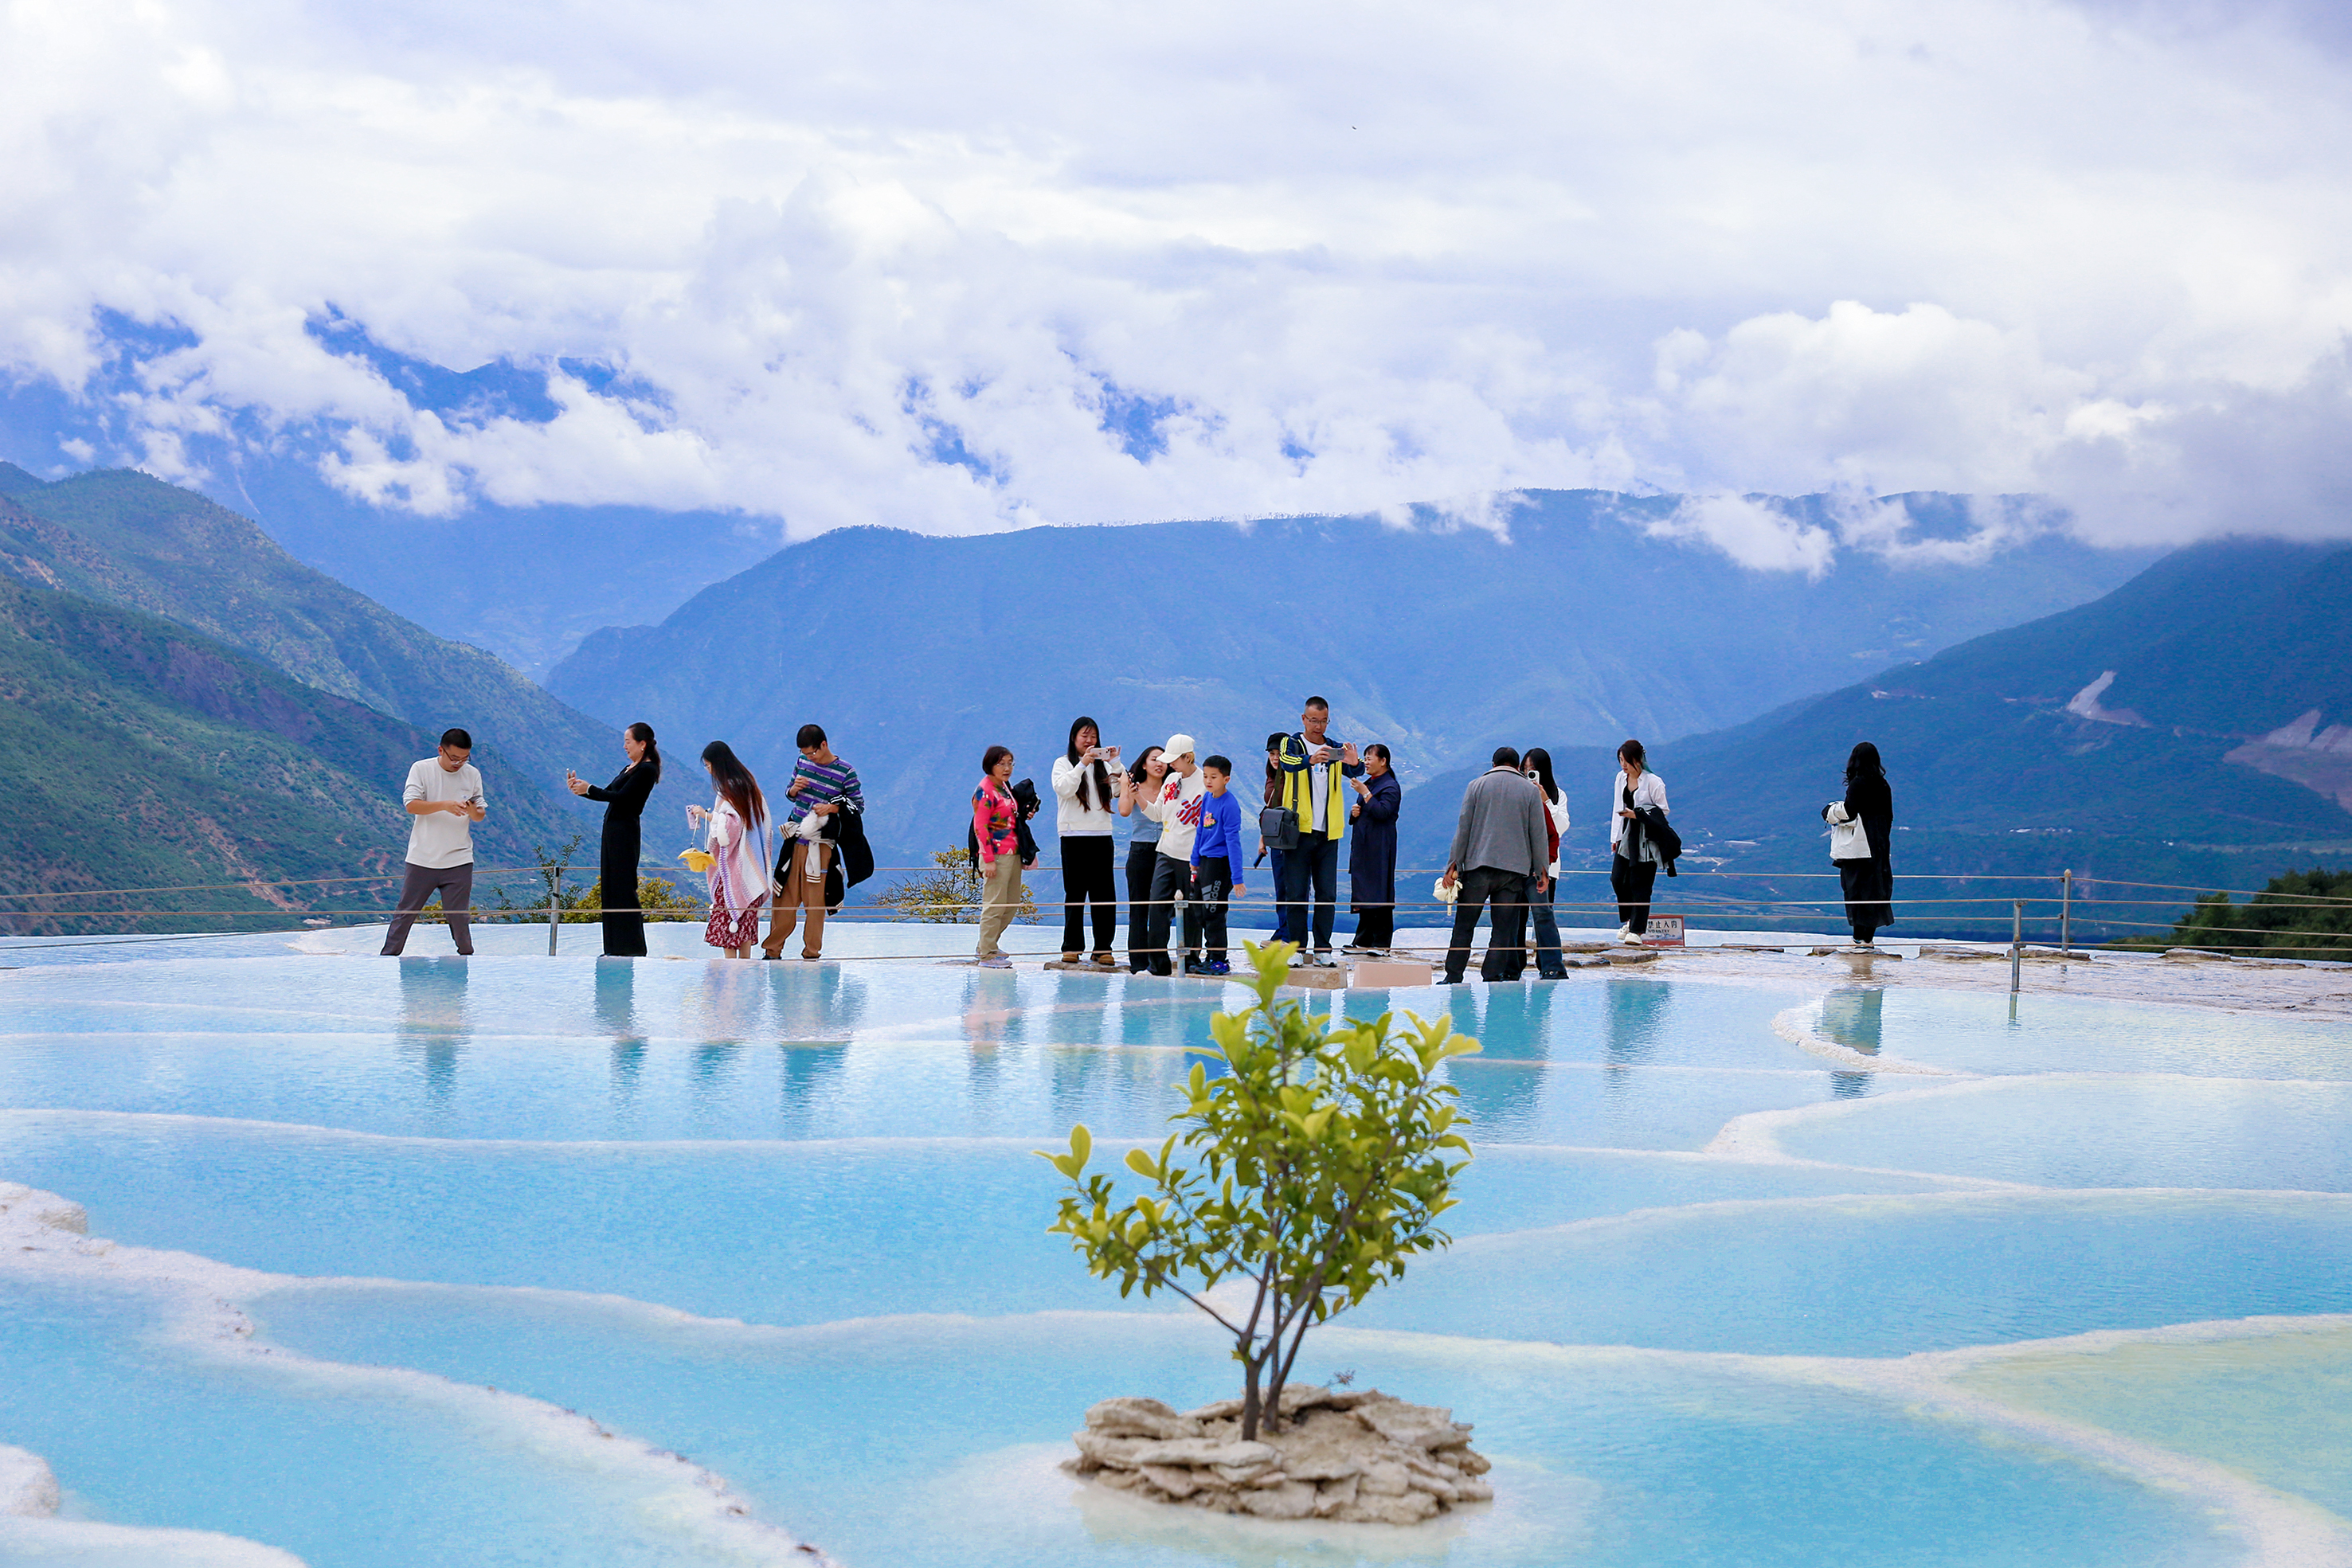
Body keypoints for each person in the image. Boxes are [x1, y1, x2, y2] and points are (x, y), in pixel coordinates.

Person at [1439, 746, 1552, 983]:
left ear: (1494, 764)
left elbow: (1464, 829)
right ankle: (1492, 975)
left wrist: (1453, 864)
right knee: (1502, 929)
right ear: (1518, 766)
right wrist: (1542, 870)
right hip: (1513, 871)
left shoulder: (1476, 786)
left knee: (1465, 925)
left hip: (1477, 867)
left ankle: (1453, 975)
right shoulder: (1530, 791)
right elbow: (1538, 834)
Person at [1272, 697, 1364, 967]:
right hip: (1298, 830)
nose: (1318, 726)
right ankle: (1296, 950)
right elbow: (1288, 762)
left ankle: (1323, 948)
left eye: (1323, 721)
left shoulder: (1334, 747)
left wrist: (1355, 762)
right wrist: (1310, 759)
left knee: (1327, 893)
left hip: (1328, 831)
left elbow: (1354, 771)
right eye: (1313, 720)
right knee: (1297, 891)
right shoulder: (1292, 744)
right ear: (1304, 719)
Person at [382, 728, 487, 956]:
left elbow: (480, 815)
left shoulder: (472, 774)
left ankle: (467, 963)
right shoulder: (421, 769)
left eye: (465, 758)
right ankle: (387, 960)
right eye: (454, 758)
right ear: (441, 750)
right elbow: (411, 805)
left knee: (459, 918)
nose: (459, 763)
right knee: (405, 914)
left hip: (459, 859)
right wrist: (445, 805)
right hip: (423, 858)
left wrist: (471, 810)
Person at [762, 725, 863, 961]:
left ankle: (811, 953)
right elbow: (789, 792)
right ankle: (772, 951)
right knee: (784, 897)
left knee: (815, 902)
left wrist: (832, 807)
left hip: (821, 844)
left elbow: (858, 806)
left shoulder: (845, 772)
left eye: (813, 753)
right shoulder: (802, 762)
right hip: (796, 838)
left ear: (824, 745)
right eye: (806, 754)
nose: (810, 758)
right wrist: (793, 790)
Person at [566, 722, 659, 957]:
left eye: (628, 741)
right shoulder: (629, 768)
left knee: (624, 888)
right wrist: (582, 789)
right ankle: (614, 948)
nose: (624, 746)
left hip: (626, 833)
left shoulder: (647, 770)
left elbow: (623, 799)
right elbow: (608, 793)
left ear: (642, 744)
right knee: (609, 887)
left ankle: (633, 947)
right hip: (612, 832)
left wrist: (590, 789)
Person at [1052, 717, 1125, 966]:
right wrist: (1082, 764)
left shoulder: (1104, 767)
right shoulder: (1063, 764)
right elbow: (1064, 789)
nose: (1089, 741)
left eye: (1093, 737)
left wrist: (1114, 761)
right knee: (1074, 892)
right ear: (1074, 738)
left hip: (1102, 836)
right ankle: (1071, 947)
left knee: (1104, 893)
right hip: (1073, 836)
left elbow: (1121, 789)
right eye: (1084, 736)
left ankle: (1103, 947)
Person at [687, 741, 770, 960]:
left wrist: (705, 815)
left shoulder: (729, 789)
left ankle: (730, 971)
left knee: (729, 921)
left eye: (707, 765)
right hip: (751, 866)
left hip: (733, 866)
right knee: (745, 923)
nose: (707, 770)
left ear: (717, 764)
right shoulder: (749, 785)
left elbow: (731, 827)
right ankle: (745, 969)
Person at [1141, 734, 1207, 977]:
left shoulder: (1205, 781)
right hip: (1166, 852)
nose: (1170, 765)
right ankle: (1157, 964)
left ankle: (1191, 960)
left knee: (1191, 911)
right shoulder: (1171, 780)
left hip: (1191, 855)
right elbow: (1157, 814)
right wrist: (1138, 796)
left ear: (1188, 757)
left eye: (1175, 760)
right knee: (1157, 907)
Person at [1825, 741, 1895, 948]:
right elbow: (1889, 816)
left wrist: (1829, 811)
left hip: (1859, 848)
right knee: (1876, 890)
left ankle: (1857, 939)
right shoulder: (1883, 785)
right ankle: (1868, 939)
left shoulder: (1858, 783)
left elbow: (1849, 812)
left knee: (1855, 890)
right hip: (1879, 845)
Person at [1188, 755, 1248, 976]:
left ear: (1226, 779)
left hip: (1220, 864)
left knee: (1214, 911)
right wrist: (1195, 861)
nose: (1208, 781)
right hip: (1205, 862)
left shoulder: (1230, 804)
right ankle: (1210, 955)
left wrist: (1237, 878)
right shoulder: (1207, 798)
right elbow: (1201, 831)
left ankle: (1219, 960)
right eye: (1205, 776)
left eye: (1214, 777)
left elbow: (1233, 841)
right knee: (1200, 910)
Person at [1342, 743, 1401, 955]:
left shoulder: (1390, 786)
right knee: (1364, 892)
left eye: (1369, 758)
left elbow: (1384, 813)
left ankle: (1382, 943)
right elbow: (1366, 811)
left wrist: (1365, 793)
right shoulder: (1370, 783)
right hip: (1363, 846)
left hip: (1380, 847)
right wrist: (1354, 813)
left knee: (1380, 892)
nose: (1366, 762)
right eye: (1365, 758)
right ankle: (1363, 940)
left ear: (1383, 761)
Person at [1609, 739, 1670, 944]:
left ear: (1638, 759)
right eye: (1620, 760)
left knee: (1641, 883)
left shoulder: (1653, 781)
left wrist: (1638, 815)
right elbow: (1617, 806)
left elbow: (1663, 811)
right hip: (1626, 834)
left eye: (1627, 760)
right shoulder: (1620, 778)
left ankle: (1637, 930)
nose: (1623, 765)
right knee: (1617, 878)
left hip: (1647, 837)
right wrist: (1615, 837)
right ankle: (1629, 919)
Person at [972, 745, 1024, 968]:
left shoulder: (1004, 787)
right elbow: (980, 827)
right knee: (994, 905)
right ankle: (986, 954)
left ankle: (988, 945)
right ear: (990, 765)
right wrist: (988, 860)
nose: (1007, 768)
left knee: (1010, 904)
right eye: (1001, 763)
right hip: (995, 854)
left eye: (1010, 763)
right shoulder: (985, 790)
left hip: (1013, 852)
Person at [1523, 747, 1571, 980]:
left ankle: (1548, 964)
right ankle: (1515, 960)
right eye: (1525, 770)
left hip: (1549, 866)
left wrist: (1546, 801)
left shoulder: (1558, 795)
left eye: (1532, 770)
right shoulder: (1518, 794)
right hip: (1520, 865)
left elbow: (1560, 827)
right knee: (1517, 916)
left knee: (1544, 915)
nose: (1528, 774)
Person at [1119, 745, 1167, 972]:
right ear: (1144, 764)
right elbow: (1124, 811)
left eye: (1163, 760)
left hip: (1167, 852)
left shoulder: (1173, 788)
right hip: (1140, 851)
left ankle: (1158, 961)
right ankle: (1138, 963)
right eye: (1154, 759)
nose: (1159, 764)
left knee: (1161, 910)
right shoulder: (1133, 786)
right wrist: (1125, 788)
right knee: (1139, 909)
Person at [1257, 733, 1292, 940]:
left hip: (1291, 838)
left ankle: (1289, 933)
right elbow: (1270, 807)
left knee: (1291, 887)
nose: (1275, 758)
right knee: (1280, 885)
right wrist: (1264, 836)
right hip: (1276, 837)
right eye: (1272, 753)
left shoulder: (1294, 777)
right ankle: (1283, 929)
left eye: (1280, 753)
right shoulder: (1271, 776)